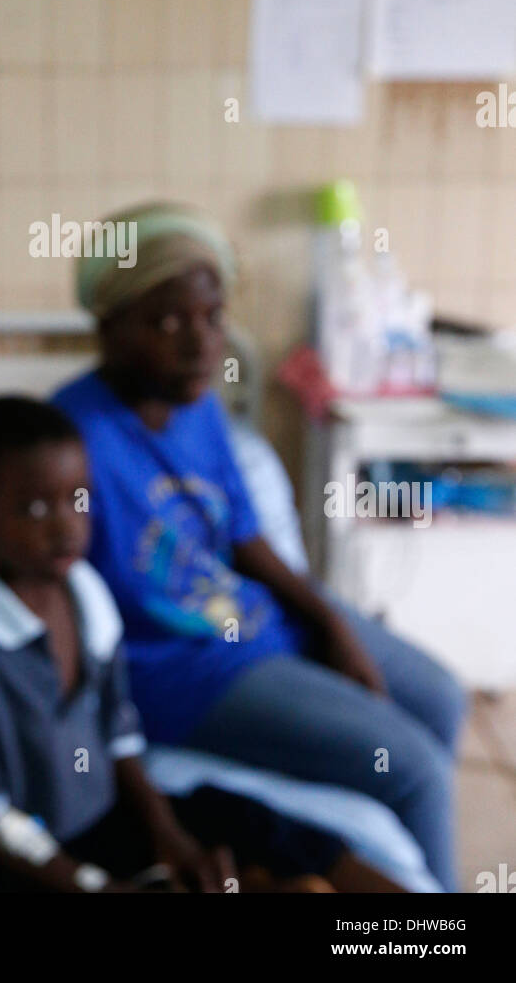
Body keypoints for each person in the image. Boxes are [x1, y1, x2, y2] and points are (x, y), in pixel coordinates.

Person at [52, 202, 466, 893]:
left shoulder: (196, 404)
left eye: (213, 317)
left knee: (442, 698)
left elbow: (243, 535)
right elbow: (55, 598)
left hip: (253, 616)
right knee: (412, 769)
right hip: (184, 672)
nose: (201, 343)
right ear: (109, 327)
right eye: (167, 322)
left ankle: (412, 872)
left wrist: (329, 622)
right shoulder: (74, 442)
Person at [0, 395, 405, 893]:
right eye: (35, 508)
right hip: (16, 863)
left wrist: (167, 833)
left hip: (101, 823)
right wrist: (96, 886)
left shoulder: (84, 594)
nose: (65, 526)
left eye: (78, 500)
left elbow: (119, 736)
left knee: (241, 819)